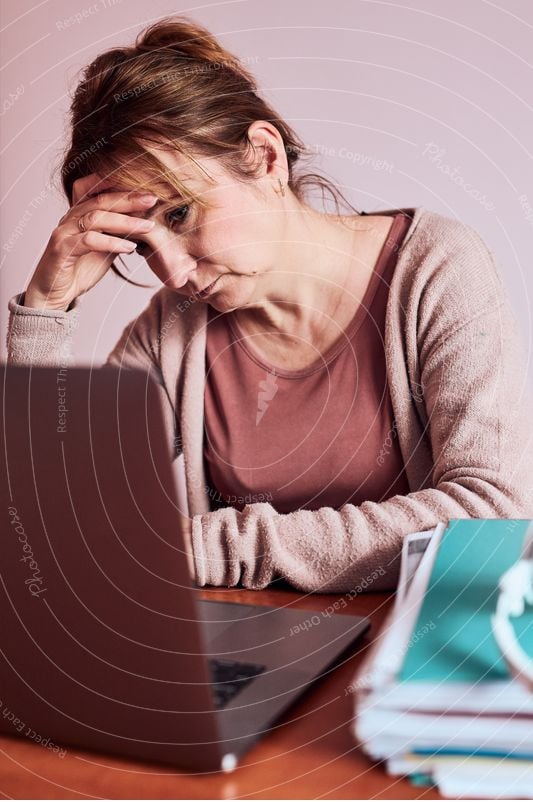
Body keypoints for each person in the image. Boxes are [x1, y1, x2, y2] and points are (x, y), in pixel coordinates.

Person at [6, 16, 533, 593]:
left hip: (421, 661)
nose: (174, 272)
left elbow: (491, 512)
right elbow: (58, 527)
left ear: (265, 156)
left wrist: (214, 547)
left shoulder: (434, 267)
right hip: (250, 655)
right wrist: (46, 310)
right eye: (141, 243)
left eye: (180, 214)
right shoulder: (172, 330)